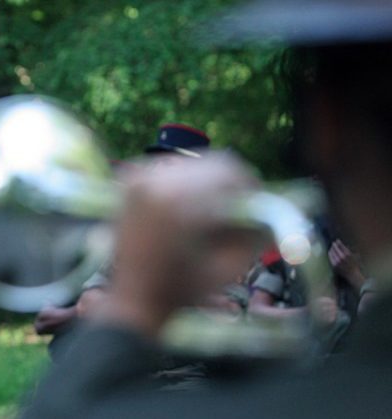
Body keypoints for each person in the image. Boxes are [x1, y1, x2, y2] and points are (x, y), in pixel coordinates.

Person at [23, 1, 392, 418]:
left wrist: (136, 301)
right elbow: (85, 305)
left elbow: (233, 310)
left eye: (175, 165)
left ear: (325, 127)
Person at [33, 123, 211, 360]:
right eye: (156, 163)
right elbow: (86, 304)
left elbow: (232, 310)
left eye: (169, 163)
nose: (157, 170)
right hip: (128, 367)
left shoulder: (225, 235)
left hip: (193, 373)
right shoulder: (136, 232)